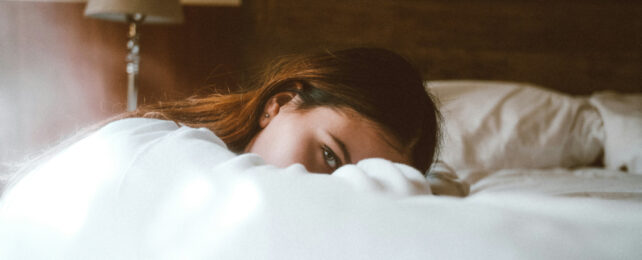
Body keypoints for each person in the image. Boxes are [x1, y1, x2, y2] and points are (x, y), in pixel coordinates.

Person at [124, 47, 440, 174]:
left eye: (368, 184)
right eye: (329, 155)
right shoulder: (155, 153)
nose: (330, 192)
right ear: (279, 104)